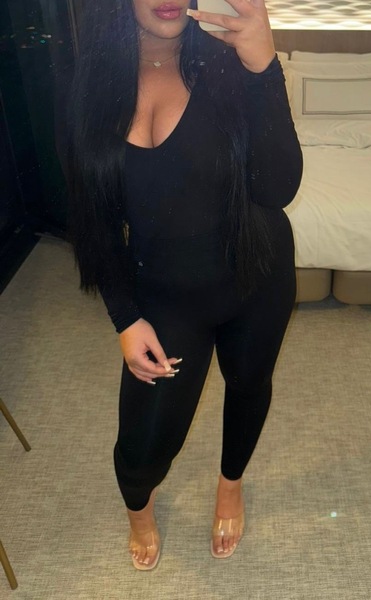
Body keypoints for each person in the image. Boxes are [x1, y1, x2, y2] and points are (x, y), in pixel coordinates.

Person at [60, 0, 302, 570]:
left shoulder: (225, 61)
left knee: (249, 384)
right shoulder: (87, 86)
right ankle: (139, 508)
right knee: (144, 441)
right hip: (166, 294)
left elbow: (278, 188)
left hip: (257, 273)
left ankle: (230, 485)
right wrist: (124, 316)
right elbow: (92, 220)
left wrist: (264, 67)